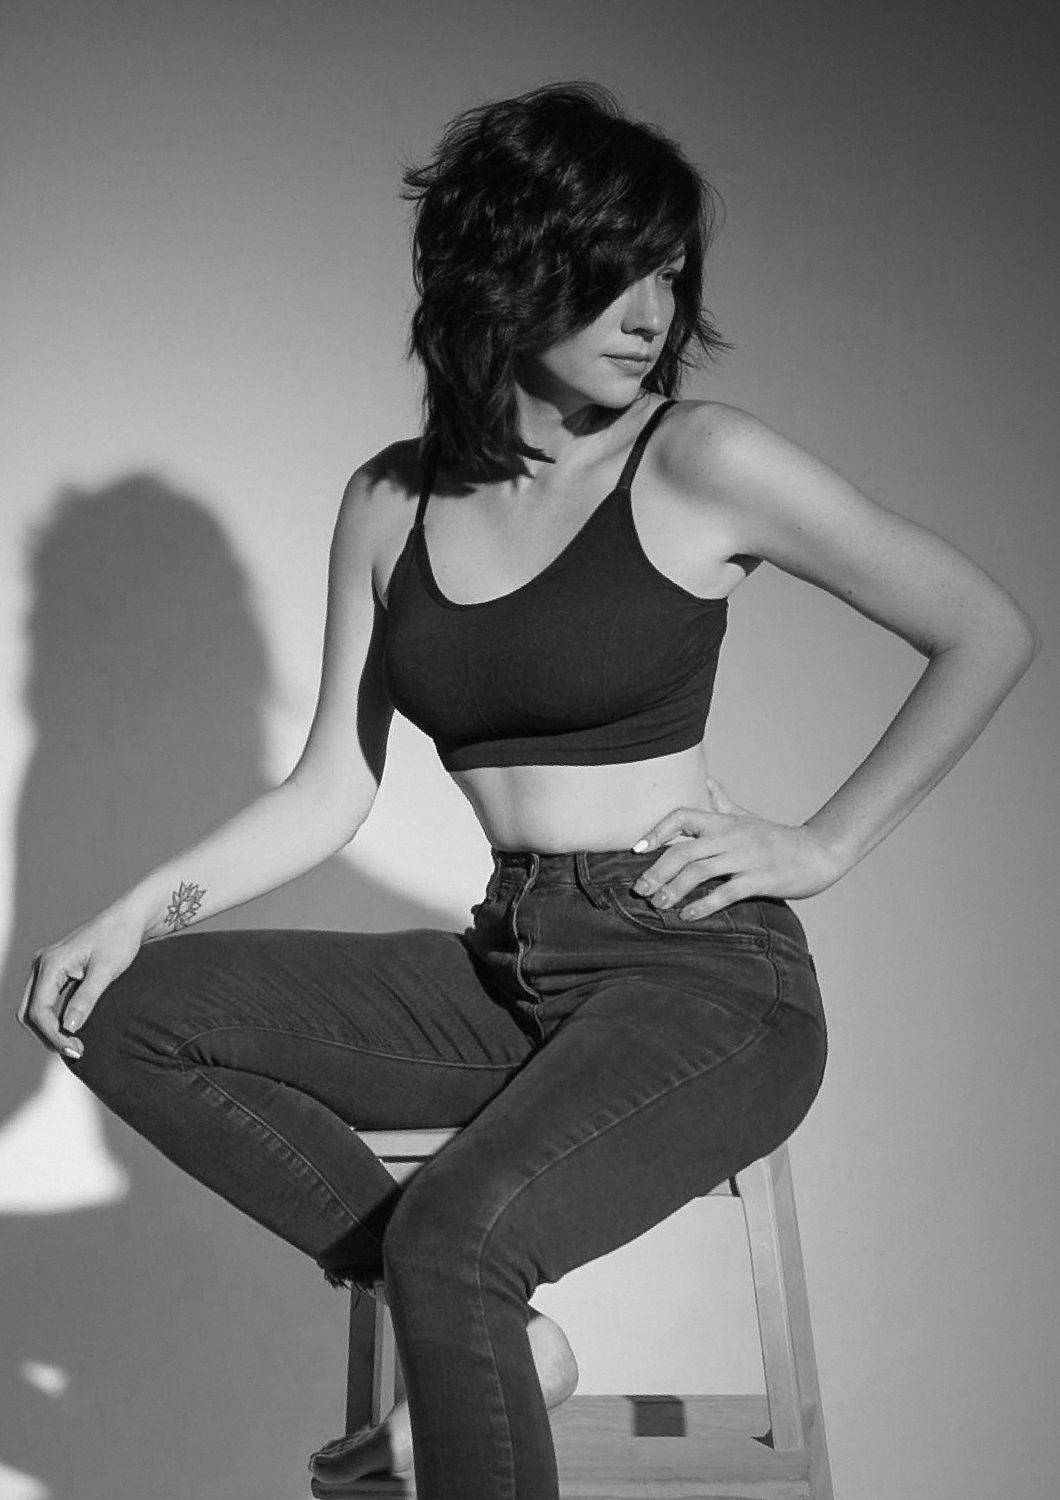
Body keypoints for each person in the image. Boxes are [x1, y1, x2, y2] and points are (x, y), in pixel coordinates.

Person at [17, 81, 1039, 1500]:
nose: (652, 313)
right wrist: (133, 914)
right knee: (130, 1014)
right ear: (505, 264)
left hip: (698, 978)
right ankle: (497, 1337)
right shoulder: (391, 503)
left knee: (457, 1240)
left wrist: (822, 841)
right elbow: (329, 787)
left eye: (671, 276)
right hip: (512, 962)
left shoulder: (698, 459)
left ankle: (464, 1306)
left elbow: (984, 627)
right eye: (618, 269)